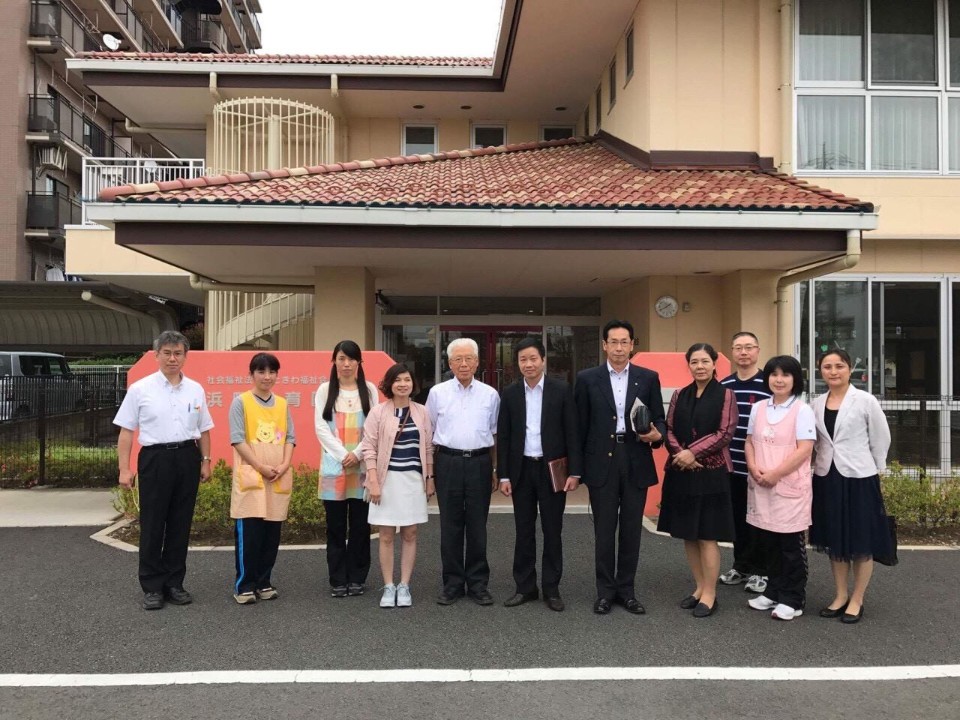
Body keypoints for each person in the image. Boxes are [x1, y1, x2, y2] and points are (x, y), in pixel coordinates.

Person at [114, 330, 214, 611]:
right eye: (167, 353)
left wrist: (206, 460)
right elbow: (126, 431)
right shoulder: (140, 389)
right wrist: (124, 469)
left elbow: (204, 429)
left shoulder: (195, 389)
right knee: (153, 524)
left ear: (185, 356)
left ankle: (174, 583)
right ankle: (152, 586)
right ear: (156, 355)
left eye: (178, 353)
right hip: (155, 459)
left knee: (181, 523)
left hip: (187, 457)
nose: (173, 358)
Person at [575, 320, 665, 615]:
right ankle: (604, 592)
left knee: (631, 530)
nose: (618, 347)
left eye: (624, 342)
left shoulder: (647, 378)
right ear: (604, 345)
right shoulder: (587, 379)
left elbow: (659, 418)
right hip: (601, 460)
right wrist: (577, 468)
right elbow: (579, 425)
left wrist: (657, 435)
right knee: (604, 531)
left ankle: (626, 591)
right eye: (613, 342)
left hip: (635, 456)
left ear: (632, 345)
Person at [497, 338, 582, 612]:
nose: (529, 364)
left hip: (552, 470)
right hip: (521, 470)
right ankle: (525, 587)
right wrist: (504, 475)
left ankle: (552, 589)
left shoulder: (561, 390)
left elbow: (572, 432)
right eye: (523, 359)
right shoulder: (510, 393)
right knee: (523, 532)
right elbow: (504, 436)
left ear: (543, 360)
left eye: (533, 358)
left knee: (552, 530)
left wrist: (575, 472)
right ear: (517, 363)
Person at [809, 349, 893, 625]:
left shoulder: (865, 400)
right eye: (827, 367)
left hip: (859, 478)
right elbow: (816, 442)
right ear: (820, 370)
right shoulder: (816, 403)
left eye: (839, 366)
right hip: (827, 477)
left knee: (861, 539)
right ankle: (840, 595)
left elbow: (880, 437)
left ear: (850, 369)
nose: (833, 371)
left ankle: (857, 598)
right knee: (835, 538)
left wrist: (877, 467)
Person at [658, 343, 737, 618]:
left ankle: (710, 594)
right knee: (688, 534)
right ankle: (699, 587)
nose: (700, 366)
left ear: (714, 364)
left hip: (711, 473)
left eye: (705, 361)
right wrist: (681, 454)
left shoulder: (726, 395)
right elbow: (668, 428)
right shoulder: (680, 394)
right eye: (694, 362)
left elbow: (725, 432)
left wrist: (692, 452)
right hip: (681, 471)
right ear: (689, 365)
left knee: (707, 535)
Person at [426, 337, 500, 606]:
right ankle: (453, 583)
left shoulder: (490, 395)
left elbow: (494, 435)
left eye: (469, 358)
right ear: (450, 363)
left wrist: (494, 468)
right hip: (448, 462)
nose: (464, 364)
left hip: (480, 463)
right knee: (450, 525)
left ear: (478, 362)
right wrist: (430, 473)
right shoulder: (437, 393)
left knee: (478, 526)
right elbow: (429, 433)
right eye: (458, 359)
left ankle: (478, 583)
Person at [744, 356, 816, 621]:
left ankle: (793, 598)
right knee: (768, 542)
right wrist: (753, 467)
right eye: (774, 374)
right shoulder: (759, 407)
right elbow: (749, 442)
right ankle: (773, 591)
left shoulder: (802, 410)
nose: (779, 379)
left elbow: (805, 449)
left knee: (790, 546)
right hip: (761, 484)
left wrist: (775, 474)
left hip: (788, 487)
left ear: (795, 379)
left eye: (786, 374)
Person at [361, 363, 435, 608]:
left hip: (413, 480)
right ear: (389, 384)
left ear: (414, 384)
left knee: (410, 533)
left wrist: (430, 479)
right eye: (398, 380)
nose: (403, 384)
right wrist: (373, 481)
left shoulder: (421, 411)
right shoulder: (378, 412)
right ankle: (388, 585)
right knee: (385, 535)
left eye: (407, 380)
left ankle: (404, 585)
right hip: (386, 480)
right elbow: (369, 448)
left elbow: (428, 447)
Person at [314, 340, 380, 598]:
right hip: (335, 466)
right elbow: (321, 428)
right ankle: (338, 579)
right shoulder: (325, 390)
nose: (346, 364)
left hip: (363, 466)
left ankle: (357, 577)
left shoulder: (369, 390)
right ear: (334, 361)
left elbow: (374, 427)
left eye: (351, 359)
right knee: (336, 526)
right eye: (341, 358)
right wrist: (344, 455)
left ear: (359, 362)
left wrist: (357, 454)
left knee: (361, 526)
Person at [228, 352, 295, 605]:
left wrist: (285, 464)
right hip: (252, 475)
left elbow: (290, 438)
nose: (267, 377)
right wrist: (259, 466)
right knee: (250, 533)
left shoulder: (283, 404)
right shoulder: (241, 402)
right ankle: (245, 585)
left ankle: (264, 582)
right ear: (251, 374)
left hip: (277, 474)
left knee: (271, 533)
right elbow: (237, 439)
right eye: (261, 371)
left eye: (272, 372)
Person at [719, 331, 773, 594]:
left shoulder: (769, 383)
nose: (743, 352)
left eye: (749, 347)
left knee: (761, 521)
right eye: (738, 347)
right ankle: (741, 566)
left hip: (761, 467)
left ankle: (763, 570)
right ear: (732, 351)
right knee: (738, 520)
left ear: (758, 350)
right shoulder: (725, 385)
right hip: (732, 466)